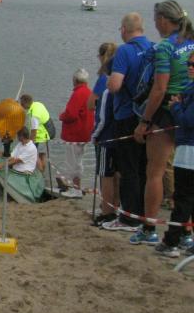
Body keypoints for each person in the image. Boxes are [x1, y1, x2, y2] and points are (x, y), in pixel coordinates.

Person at [130, 0, 194, 245]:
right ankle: (185, 232)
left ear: (164, 20)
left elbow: (159, 88)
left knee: (155, 172)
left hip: (168, 110)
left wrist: (145, 121)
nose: (154, 24)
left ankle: (149, 228)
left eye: (156, 19)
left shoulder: (165, 47)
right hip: (189, 107)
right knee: (186, 174)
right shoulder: (191, 41)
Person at [103, 13, 153, 232]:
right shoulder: (153, 47)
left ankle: (128, 218)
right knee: (144, 168)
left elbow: (115, 85)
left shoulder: (125, 50)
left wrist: (108, 83)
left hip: (126, 114)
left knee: (128, 167)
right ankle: (143, 214)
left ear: (124, 29)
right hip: (147, 115)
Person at [156, 50, 194, 257]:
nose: (190, 68)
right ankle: (183, 239)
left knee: (182, 198)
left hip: (189, 151)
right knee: (188, 199)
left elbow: (188, 120)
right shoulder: (189, 87)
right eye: (188, 64)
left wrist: (176, 106)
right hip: (186, 148)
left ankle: (171, 242)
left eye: (193, 65)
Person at [88, 42, 120, 224]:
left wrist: (94, 136)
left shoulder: (105, 83)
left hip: (105, 136)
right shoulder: (121, 81)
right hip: (119, 133)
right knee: (116, 173)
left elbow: (93, 108)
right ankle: (115, 206)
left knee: (105, 174)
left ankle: (106, 210)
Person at [59, 68, 94, 198]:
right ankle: (77, 187)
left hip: (74, 134)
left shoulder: (78, 93)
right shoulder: (89, 92)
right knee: (78, 162)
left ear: (75, 80)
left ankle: (73, 189)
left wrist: (61, 116)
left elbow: (71, 114)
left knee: (71, 162)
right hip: (85, 133)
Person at [19, 94, 51, 172]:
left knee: (34, 154)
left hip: (39, 136)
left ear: (25, 103)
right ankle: (43, 173)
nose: (21, 106)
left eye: (22, 104)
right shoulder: (38, 104)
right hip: (46, 134)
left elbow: (34, 130)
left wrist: (30, 144)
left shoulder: (34, 115)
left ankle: (40, 172)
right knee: (42, 154)